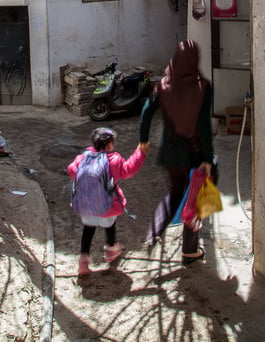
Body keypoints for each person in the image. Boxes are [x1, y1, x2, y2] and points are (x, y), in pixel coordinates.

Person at [139, 39, 215, 265]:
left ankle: (153, 232)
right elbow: (203, 127)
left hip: (171, 152)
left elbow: (146, 112)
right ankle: (189, 250)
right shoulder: (203, 88)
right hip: (194, 153)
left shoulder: (164, 85)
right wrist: (208, 159)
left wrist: (143, 140)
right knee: (197, 196)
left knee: (175, 193)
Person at [67, 127, 147, 276]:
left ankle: (83, 262)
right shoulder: (113, 160)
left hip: (86, 205)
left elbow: (72, 171)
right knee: (110, 226)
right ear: (109, 144)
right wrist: (140, 152)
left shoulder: (83, 157)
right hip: (107, 206)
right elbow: (128, 170)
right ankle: (111, 250)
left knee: (88, 230)